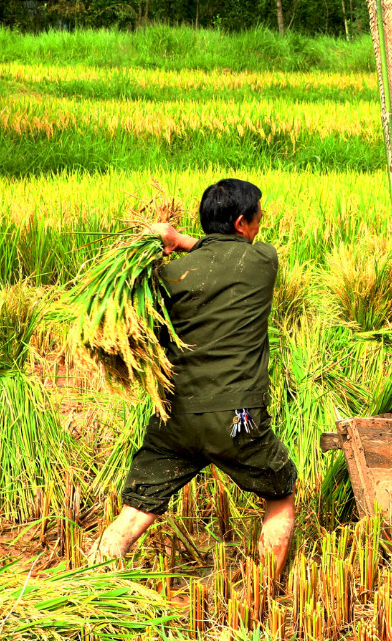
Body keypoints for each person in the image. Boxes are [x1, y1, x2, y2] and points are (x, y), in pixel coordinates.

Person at [89, 178, 298, 575]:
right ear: (242, 223)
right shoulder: (262, 261)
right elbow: (223, 254)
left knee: (137, 508)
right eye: (258, 215)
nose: (260, 222)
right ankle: (265, 592)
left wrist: (171, 238)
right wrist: (180, 238)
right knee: (280, 492)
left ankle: (90, 580)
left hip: (176, 417)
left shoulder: (168, 278)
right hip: (238, 420)